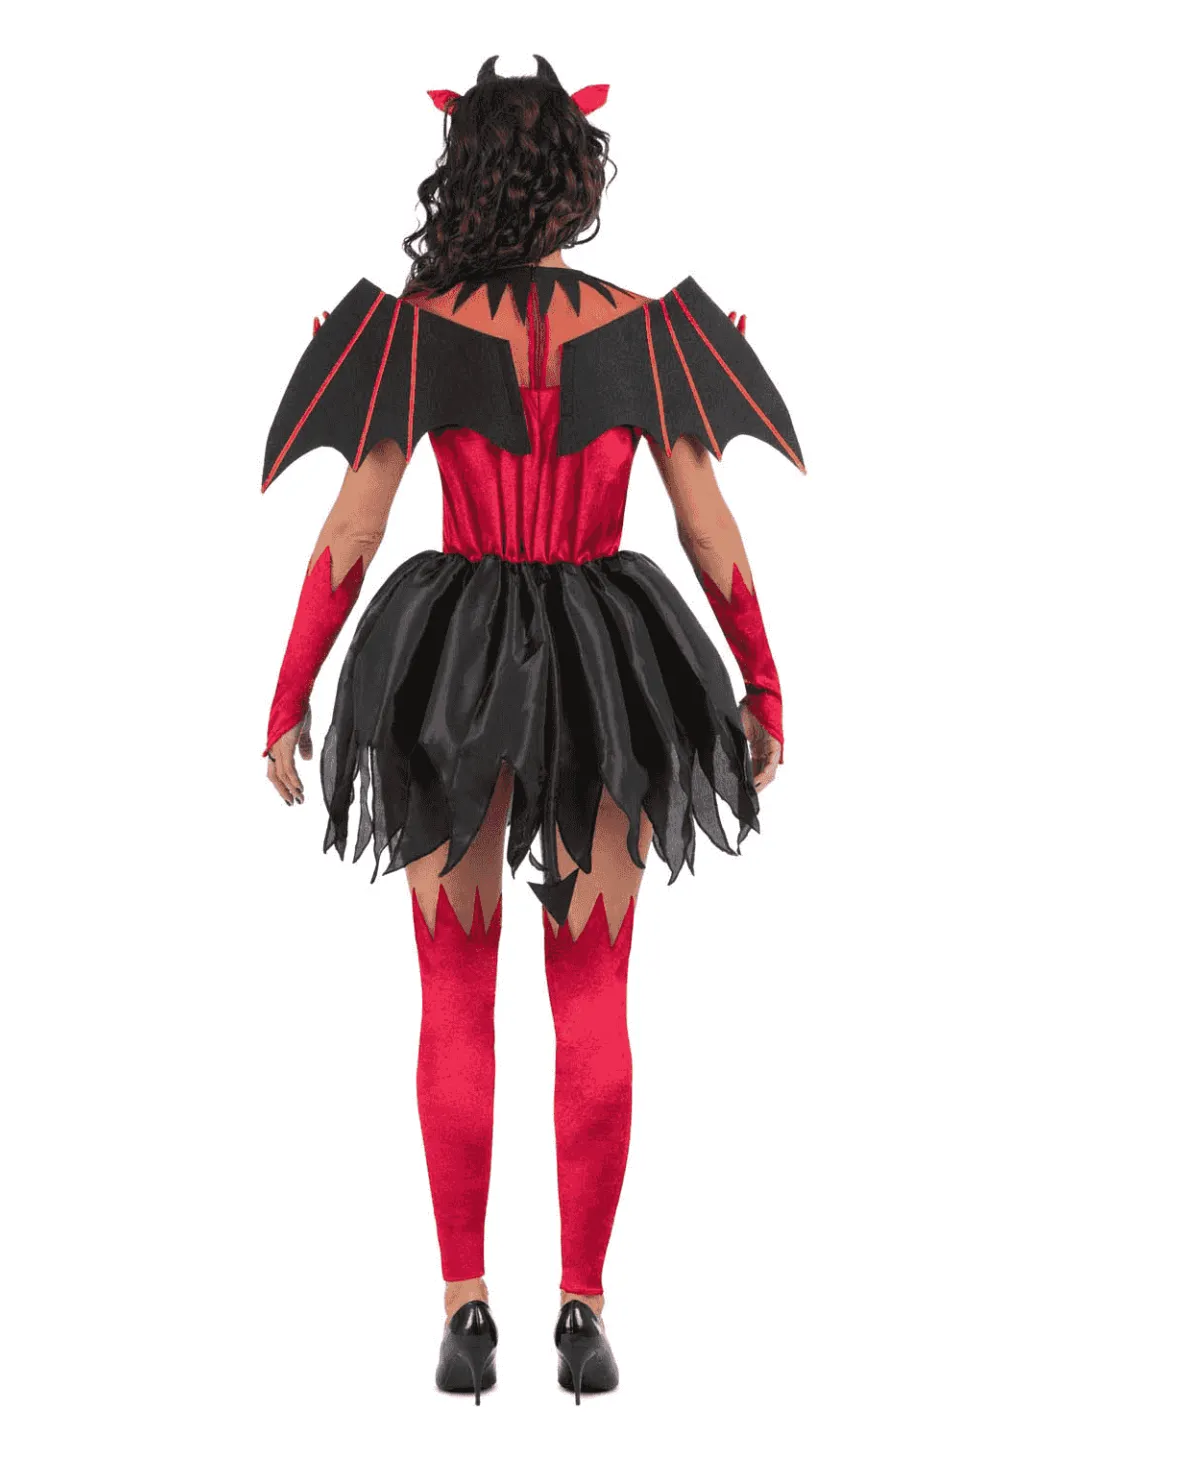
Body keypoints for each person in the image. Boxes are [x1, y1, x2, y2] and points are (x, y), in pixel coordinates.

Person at [258, 55, 804, 1403]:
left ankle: (465, 1310)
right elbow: (707, 527)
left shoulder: (415, 331)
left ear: (465, 171)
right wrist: (761, 680)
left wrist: (289, 693)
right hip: (609, 671)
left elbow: (354, 529)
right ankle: (582, 1310)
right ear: (575, 174)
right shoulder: (649, 332)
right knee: (594, 988)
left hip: (450, 667)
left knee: (453, 985)